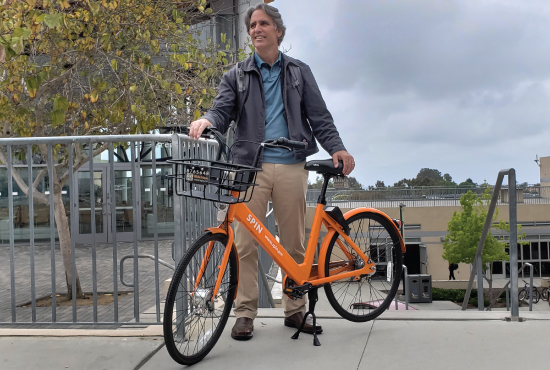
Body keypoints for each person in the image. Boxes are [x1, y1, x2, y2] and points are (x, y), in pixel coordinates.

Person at [189, 3, 354, 341]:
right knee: (243, 244)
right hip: (249, 168)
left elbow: (319, 115)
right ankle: (245, 313)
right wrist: (207, 120)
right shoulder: (236, 74)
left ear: (278, 31)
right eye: (252, 25)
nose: (256, 29)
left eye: (264, 24)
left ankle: (295, 311)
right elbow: (221, 110)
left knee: (293, 242)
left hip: (292, 164)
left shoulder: (298, 71)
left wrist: (336, 146)